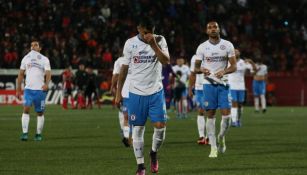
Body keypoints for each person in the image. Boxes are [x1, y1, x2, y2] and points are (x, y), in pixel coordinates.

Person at [115, 17, 169, 175]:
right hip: (135, 93)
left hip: (155, 92)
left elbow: (166, 61)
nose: (148, 35)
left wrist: (154, 44)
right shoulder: (130, 43)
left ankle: (153, 152)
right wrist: (118, 93)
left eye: (151, 32)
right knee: (137, 130)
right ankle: (140, 166)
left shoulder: (160, 39)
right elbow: (123, 70)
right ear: (138, 29)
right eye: (145, 32)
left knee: (160, 128)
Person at [194, 21, 237, 158]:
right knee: (210, 115)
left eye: (215, 27)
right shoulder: (202, 47)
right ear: (207, 31)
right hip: (208, 85)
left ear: (219, 29)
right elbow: (195, 68)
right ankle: (213, 148)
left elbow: (234, 66)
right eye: (210, 27)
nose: (213, 29)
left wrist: (224, 71)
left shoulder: (228, 45)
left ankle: (221, 136)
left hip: (223, 85)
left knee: (226, 116)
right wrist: (202, 69)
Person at [16, 40, 51, 141]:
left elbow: (48, 73)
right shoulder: (26, 58)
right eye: (31, 45)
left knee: (40, 113)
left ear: (40, 48)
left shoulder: (44, 59)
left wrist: (46, 84)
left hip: (40, 90)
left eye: (35, 45)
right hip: (28, 90)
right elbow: (21, 74)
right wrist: (18, 89)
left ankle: (38, 134)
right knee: (26, 109)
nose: (33, 46)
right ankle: (25, 133)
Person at [228, 49, 257, 127]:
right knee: (234, 102)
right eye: (234, 51)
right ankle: (233, 121)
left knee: (240, 104)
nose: (236, 52)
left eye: (237, 51)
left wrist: (251, 62)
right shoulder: (228, 62)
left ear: (239, 53)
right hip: (231, 86)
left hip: (241, 87)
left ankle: (238, 120)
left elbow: (254, 72)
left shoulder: (243, 63)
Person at [111, 56, 131, 147]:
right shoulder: (121, 61)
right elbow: (116, 75)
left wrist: (112, 86)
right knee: (128, 116)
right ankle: (127, 136)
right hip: (128, 92)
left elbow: (115, 75)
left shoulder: (120, 61)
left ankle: (125, 133)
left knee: (126, 115)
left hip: (127, 91)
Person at [189, 55, 208, 145]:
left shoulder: (214, 55)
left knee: (210, 111)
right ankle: (202, 136)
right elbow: (193, 73)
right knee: (200, 110)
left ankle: (209, 137)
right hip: (199, 88)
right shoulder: (195, 58)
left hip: (211, 87)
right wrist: (190, 88)